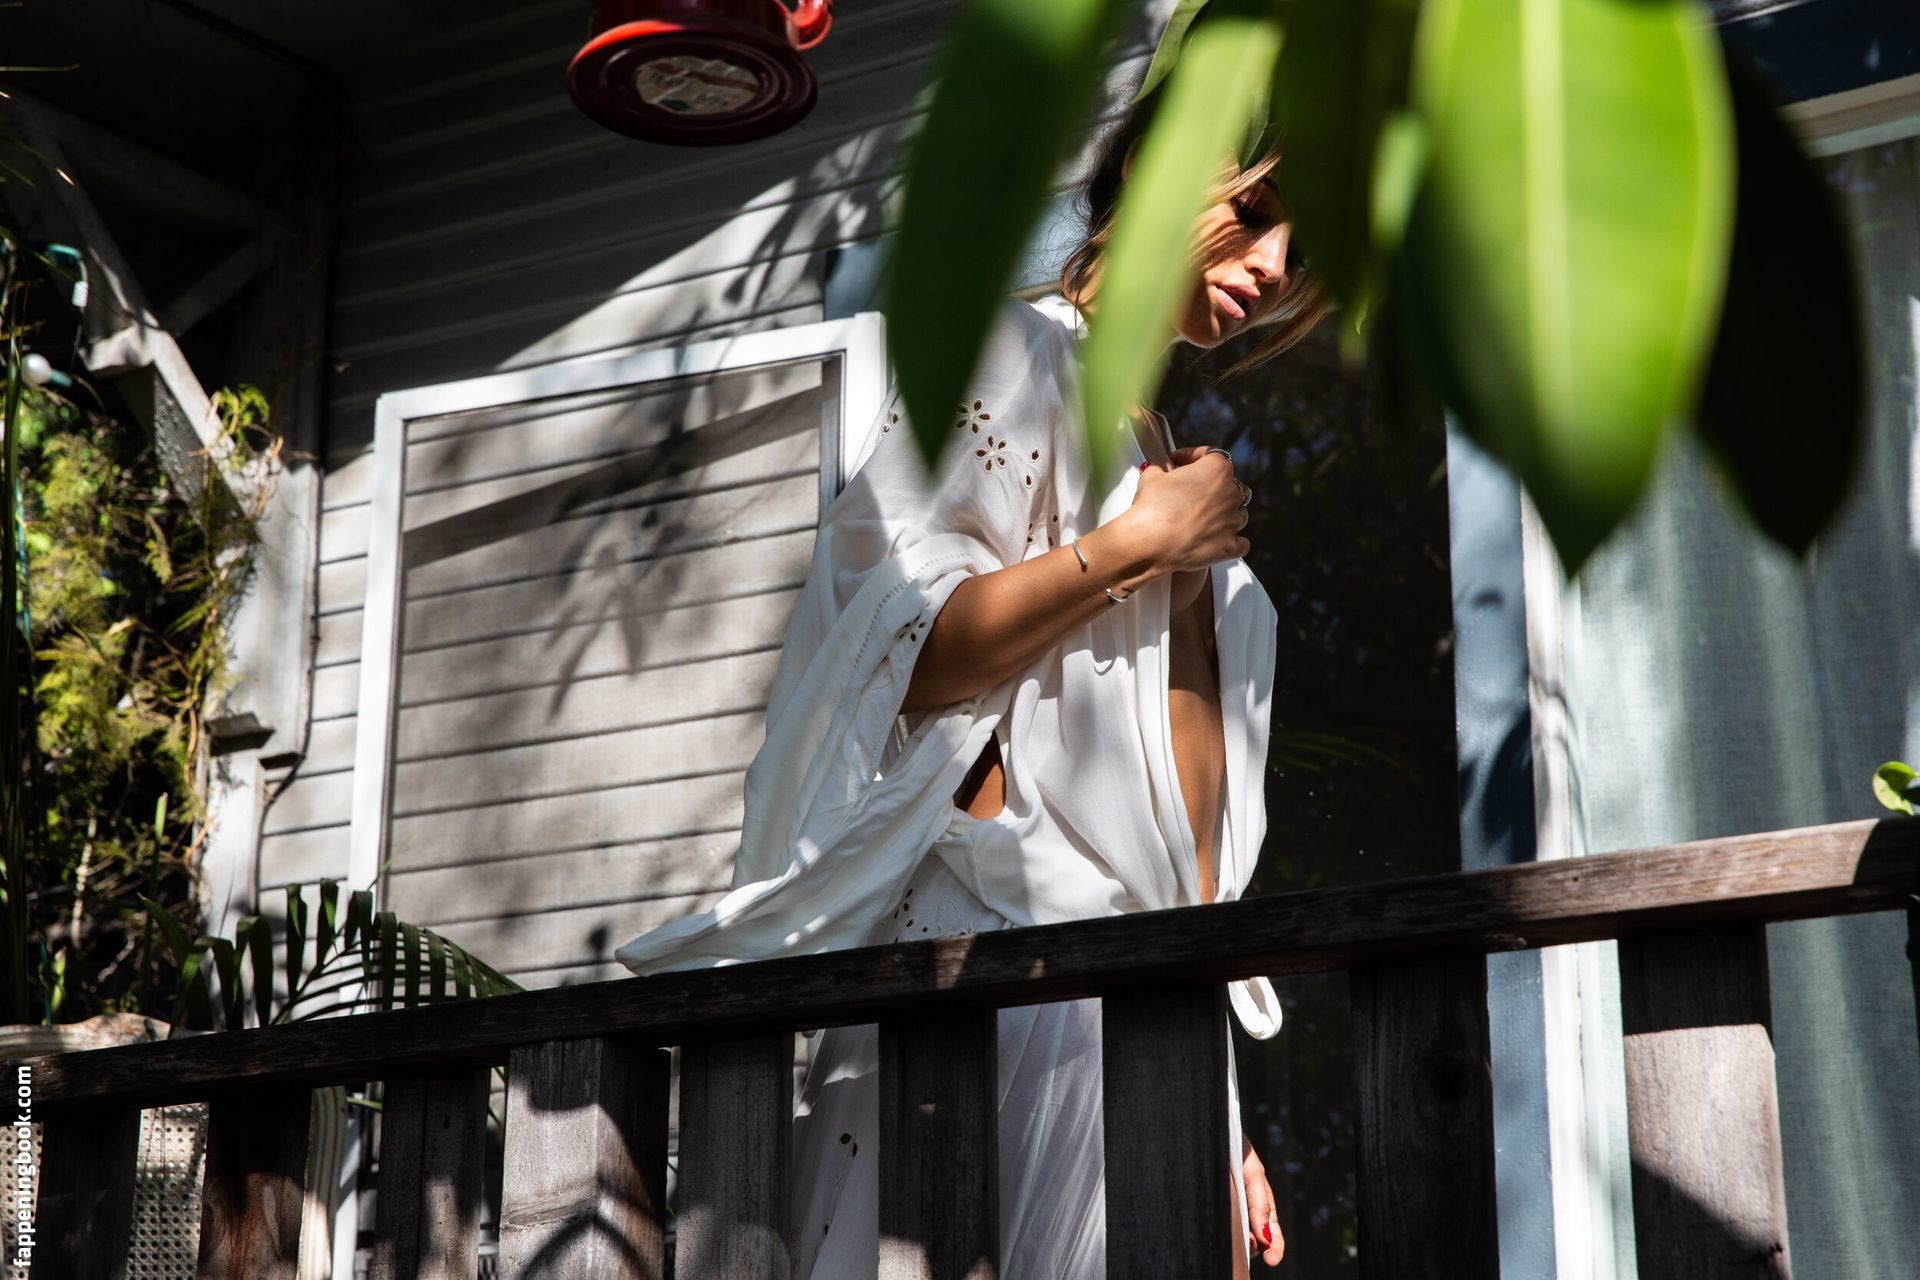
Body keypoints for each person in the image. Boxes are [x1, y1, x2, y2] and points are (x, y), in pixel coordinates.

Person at [613, 89, 1329, 1277]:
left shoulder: (1166, 460)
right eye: (1255, 213)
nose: (1274, 263)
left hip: (1138, 1019)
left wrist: (1222, 1105)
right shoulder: (1018, 353)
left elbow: (1178, 855)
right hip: (1003, 986)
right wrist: (1141, 544)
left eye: (1295, 246)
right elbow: (911, 651)